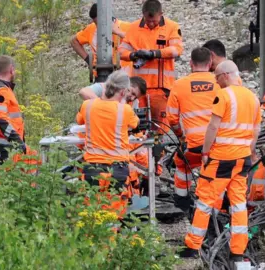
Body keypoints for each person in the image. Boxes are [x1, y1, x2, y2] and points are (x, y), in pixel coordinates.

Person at [181, 60, 262, 263]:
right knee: (238, 204)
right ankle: (237, 250)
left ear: (225, 75)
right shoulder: (253, 98)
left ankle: (193, 246)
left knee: (205, 201)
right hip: (242, 158)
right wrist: (249, 152)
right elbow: (256, 130)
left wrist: (206, 152)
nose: (216, 83)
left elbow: (213, 127)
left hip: (221, 158)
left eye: (216, 78)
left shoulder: (224, 95)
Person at [76, 70, 139, 218]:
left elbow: (79, 120)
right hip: (117, 169)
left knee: (91, 215)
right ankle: (110, 239)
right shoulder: (125, 110)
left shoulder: (88, 106)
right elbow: (135, 124)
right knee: (113, 216)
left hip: (92, 168)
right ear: (123, 92)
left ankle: (93, 240)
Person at [166, 47, 221, 209]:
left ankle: (181, 200)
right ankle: (219, 203)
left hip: (193, 145)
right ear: (210, 62)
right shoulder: (219, 82)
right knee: (218, 170)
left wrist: (181, 137)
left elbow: (172, 118)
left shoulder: (179, 85)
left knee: (181, 163)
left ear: (190, 63)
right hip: (217, 145)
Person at [118, 0, 183, 134]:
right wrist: (133, 55)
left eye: (154, 21)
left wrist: (155, 54)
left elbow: (177, 50)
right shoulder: (134, 28)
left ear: (161, 14)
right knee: (136, 127)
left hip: (160, 90)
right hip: (138, 89)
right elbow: (121, 51)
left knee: (159, 129)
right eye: (148, 20)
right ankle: (138, 154)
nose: (151, 23)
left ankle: (159, 154)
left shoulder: (172, 27)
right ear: (143, 15)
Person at [70, 3, 133, 77]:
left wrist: (118, 32)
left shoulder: (126, 26)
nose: (98, 26)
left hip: (124, 78)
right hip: (100, 76)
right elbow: (74, 41)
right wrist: (88, 60)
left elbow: (137, 43)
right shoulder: (91, 28)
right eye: (96, 23)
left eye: (101, 23)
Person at [78, 76, 147, 107]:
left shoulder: (134, 103)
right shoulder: (105, 88)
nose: (132, 98)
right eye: (132, 93)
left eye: (135, 97)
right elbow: (83, 92)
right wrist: (103, 106)